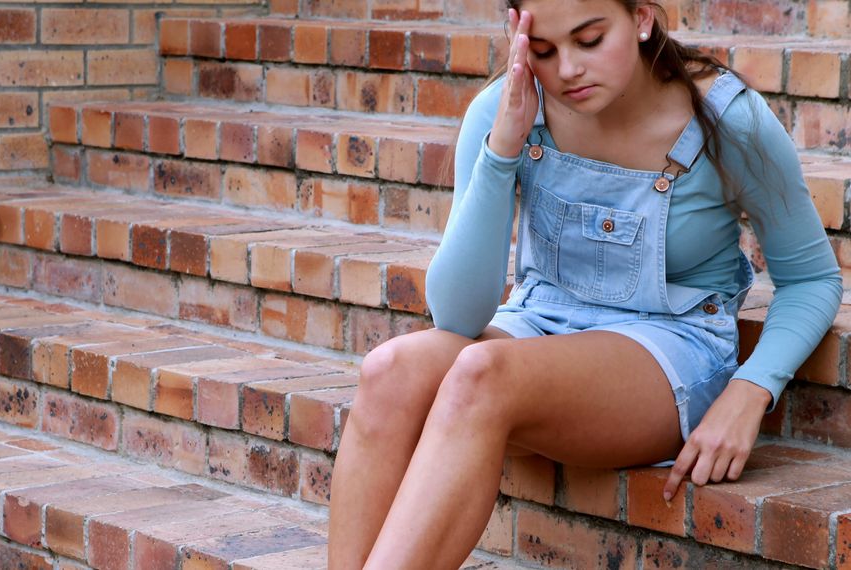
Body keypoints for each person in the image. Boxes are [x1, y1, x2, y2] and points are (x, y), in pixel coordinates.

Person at [326, 0, 843, 568]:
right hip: (539, 325)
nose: (567, 68)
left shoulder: (725, 118)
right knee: (388, 371)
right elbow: (455, 316)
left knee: (480, 374)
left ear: (642, 18)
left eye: (589, 39)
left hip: (668, 348)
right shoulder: (507, 112)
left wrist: (752, 390)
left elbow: (813, 279)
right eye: (544, 51)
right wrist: (502, 150)